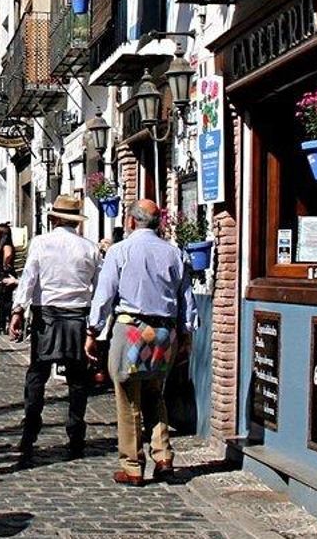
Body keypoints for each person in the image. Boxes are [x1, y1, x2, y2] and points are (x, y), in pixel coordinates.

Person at [86, 199, 195, 486]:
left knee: (127, 395)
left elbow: (105, 294)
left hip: (132, 328)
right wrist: (185, 335)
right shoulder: (175, 253)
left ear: (131, 221)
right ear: (158, 223)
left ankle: (132, 465)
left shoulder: (120, 251)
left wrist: (93, 330)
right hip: (164, 333)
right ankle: (163, 456)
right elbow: (187, 299)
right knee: (155, 392)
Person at [9, 195, 102, 466]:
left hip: (46, 315)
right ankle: (75, 433)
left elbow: (28, 279)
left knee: (37, 374)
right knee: (77, 379)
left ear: (54, 218)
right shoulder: (90, 248)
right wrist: (95, 327)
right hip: (77, 316)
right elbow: (99, 286)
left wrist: (17, 311)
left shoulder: (41, 243)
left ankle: (30, 432)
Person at [0, 234, 17, 335]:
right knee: (1, 302)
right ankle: (2, 325)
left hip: (4, 277)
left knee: (5, 302)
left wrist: (5, 264)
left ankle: (6, 324)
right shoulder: (0, 245)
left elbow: (8, 254)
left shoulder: (6, 245)